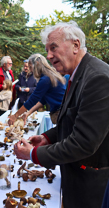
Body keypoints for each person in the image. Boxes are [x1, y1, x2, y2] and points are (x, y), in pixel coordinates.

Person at [14, 21, 109, 207]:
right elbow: (71, 122)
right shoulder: (76, 75)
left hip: (90, 186)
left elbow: (83, 143)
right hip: (76, 177)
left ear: (76, 45)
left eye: (53, 48)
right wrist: (47, 138)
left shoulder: (98, 78)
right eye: (47, 50)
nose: (48, 56)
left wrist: (33, 154)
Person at [8, 54, 66, 125]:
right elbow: (43, 100)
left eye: (30, 67)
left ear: (37, 64)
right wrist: (28, 113)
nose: (31, 70)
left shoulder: (45, 79)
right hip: (63, 110)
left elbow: (32, 100)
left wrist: (15, 115)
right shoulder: (49, 75)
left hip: (60, 112)